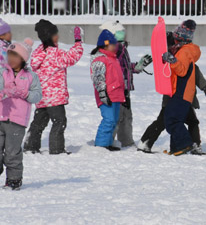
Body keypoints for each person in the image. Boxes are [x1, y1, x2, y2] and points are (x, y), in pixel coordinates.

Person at [24, 20, 84, 155]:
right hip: (54, 97)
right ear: (50, 36)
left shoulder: (38, 52)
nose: (58, 35)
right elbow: (71, 57)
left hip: (41, 97)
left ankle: (30, 146)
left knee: (39, 123)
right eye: (56, 33)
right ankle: (57, 149)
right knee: (59, 121)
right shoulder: (54, 53)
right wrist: (78, 41)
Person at [137, 62, 206, 154]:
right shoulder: (171, 64)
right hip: (174, 100)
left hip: (185, 100)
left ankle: (193, 146)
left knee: (190, 122)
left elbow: (198, 77)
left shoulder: (188, 65)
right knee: (164, 121)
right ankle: (145, 143)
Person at [99, 21, 152, 147]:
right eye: (119, 31)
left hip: (125, 89)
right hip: (116, 89)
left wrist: (138, 66)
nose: (123, 33)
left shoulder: (122, 48)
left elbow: (125, 67)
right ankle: (108, 142)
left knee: (127, 117)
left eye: (123, 31)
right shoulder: (112, 49)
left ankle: (126, 141)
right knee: (115, 117)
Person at [0, 38, 42, 190]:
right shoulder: (3, 73)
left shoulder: (31, 77)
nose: (11, 59)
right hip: (1, 116)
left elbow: (38, 95)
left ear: (23, 59)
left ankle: (14, 180)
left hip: (17, 122)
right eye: (9, 55)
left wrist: (24, 93)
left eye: (15, 56)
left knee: (12, 153)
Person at [161, 20, 202, 156]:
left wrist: (172, 60)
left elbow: (182, 71)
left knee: (171, 120)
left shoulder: (185, 51)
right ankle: (176, 147)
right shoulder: (183, 49)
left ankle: (185, 144)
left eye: (179, 33)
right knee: (173, 119)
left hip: (182, 91)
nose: (176, 35)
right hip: (179, 90)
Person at [90, 30, 125, 151]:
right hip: (107, 95)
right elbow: (98, 77)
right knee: (108, 120)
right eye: (113, 44)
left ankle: (108, 143)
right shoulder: (100, 59)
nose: (115, 46)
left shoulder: (113, 59)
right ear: (105, 44)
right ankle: (101, 145)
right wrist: (102, 93)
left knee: (114, 120)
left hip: (116, 95)